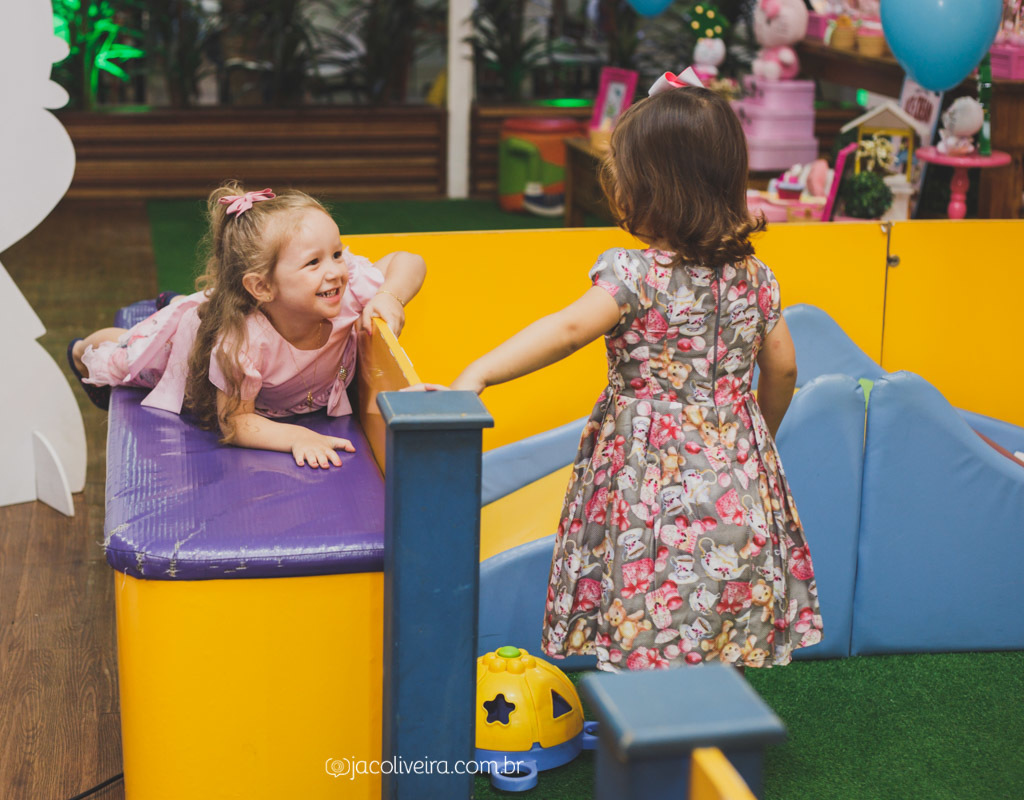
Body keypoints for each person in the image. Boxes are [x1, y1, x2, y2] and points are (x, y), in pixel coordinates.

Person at [448, 73, 821, 670]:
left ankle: (651, 724)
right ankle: (703, 724)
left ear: (649, 189)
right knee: (715, 597)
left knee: (647, 585)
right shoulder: (758, 277)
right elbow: (784, 368)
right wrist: (758, 438)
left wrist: (479, 373)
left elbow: (568, 330)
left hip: (650, 475)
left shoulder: (637, 273)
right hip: (738, 471)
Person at [67, 183, 426, 469]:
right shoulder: (242, 342)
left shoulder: (346, 292)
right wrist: (296, 437)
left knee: (195, 309)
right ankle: (82, 349)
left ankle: (183, 302)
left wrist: (390, 297)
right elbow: (236, 422)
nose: (336, 269)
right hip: (192, 354)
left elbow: (409, 260)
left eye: (336, 253)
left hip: (237, 315)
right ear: (263, 287)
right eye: (313, 262)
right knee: (128, 354)